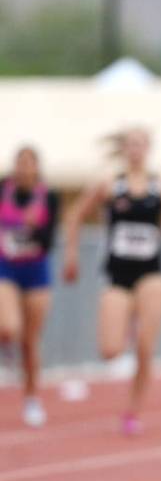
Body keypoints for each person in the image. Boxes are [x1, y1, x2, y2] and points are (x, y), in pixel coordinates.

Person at [63, 128, 161, 434]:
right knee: (110, 349)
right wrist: (71, 256)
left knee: (146, 348)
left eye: (141, 144)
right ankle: (125, 322)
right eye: (131, 145)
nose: (136, 150)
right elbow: (74, 216)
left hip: (152, 273)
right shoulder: (109, 183)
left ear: (149, 148)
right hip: (117, 272)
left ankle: (132, 411)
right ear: (124, 149)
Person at [0, 146, 59, 427]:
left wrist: (36, 228)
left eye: (28, 163)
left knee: (31, 342)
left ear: (37, 167)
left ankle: (32, 398)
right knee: (8, 325)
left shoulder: (48, 196)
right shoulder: (3, 190)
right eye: (19, 162)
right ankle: (5, 347)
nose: (23, 168)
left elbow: (49, 241)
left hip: (36, 272)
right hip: (6, 268)